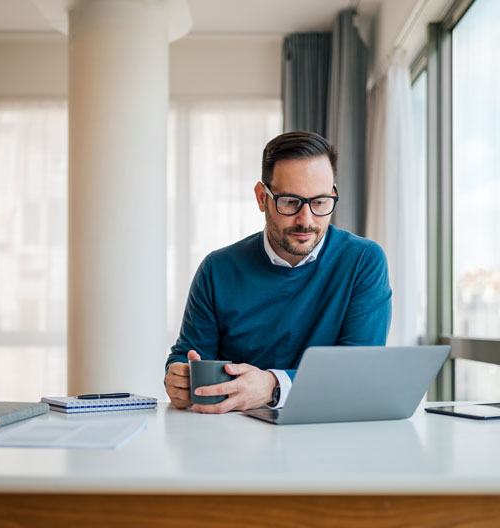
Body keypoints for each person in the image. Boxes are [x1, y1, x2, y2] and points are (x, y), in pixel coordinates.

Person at [164, 131, 392, 414]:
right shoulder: (217, 269)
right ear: (262, 197)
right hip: (232, 438)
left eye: (320, 202)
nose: (306, 221)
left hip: (329, 435)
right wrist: (180, 377)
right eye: (290, 202)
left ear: (333, 194)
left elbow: (358, 370)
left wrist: (273, 384)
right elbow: (189, 356)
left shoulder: (363, 261)